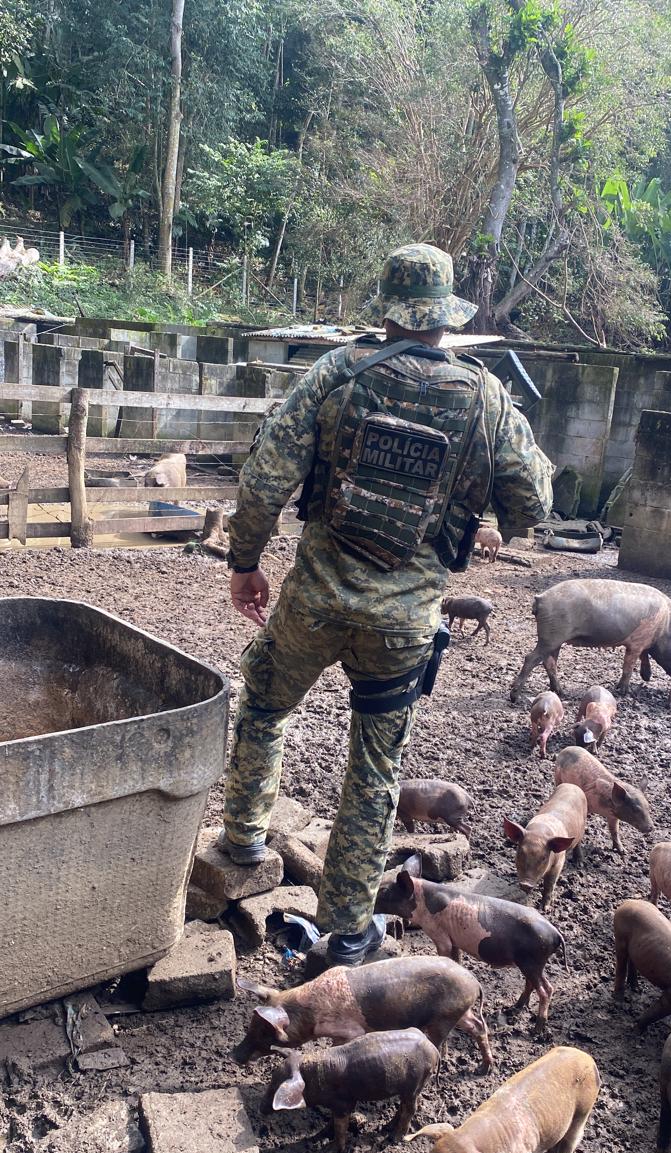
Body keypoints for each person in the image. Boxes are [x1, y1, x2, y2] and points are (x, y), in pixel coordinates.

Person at [221, 242, 553, 965]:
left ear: (390, 307)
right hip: (404, 626)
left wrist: (245, 561)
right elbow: (533, 501)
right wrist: (483, 508)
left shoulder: (336, 374)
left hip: (312, 602)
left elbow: (263, 481)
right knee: (374, 772)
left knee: (265, 706)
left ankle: (243, 834)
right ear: (445, 313)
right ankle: (345, 930)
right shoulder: (486, 396)